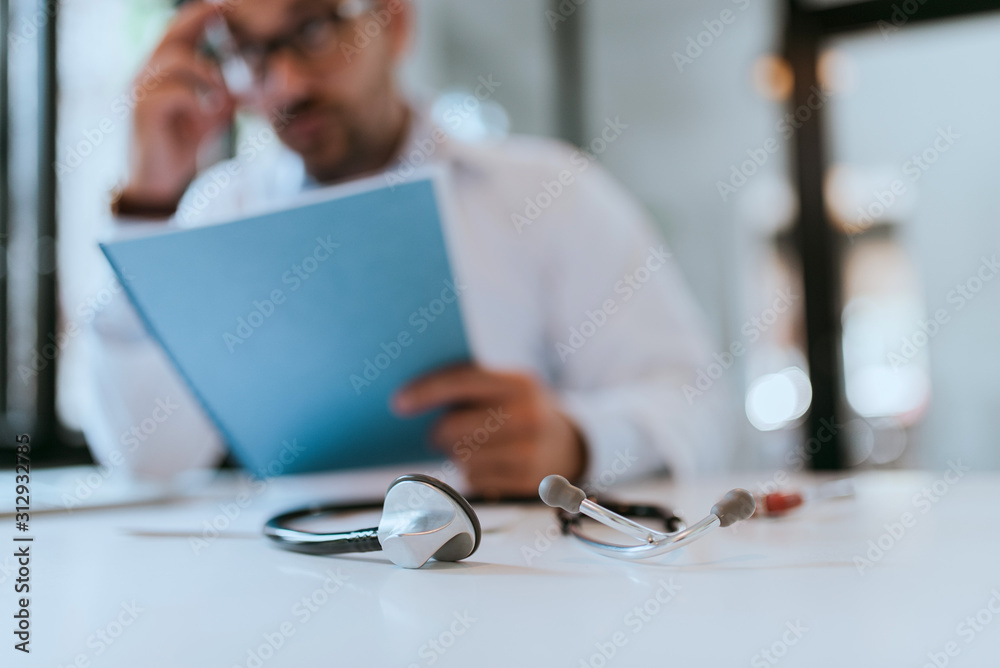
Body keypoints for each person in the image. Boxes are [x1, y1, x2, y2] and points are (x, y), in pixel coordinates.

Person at [85, 0, 729, 497]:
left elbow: (695, 405)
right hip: (283, 586)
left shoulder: (552, 193)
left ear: (392, 22)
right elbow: (147, 458)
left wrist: (578, 443)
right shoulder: (215, 211)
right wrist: (147, 201)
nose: (282, 85)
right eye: (247, 52)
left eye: (312, 29)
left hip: (516, 591)